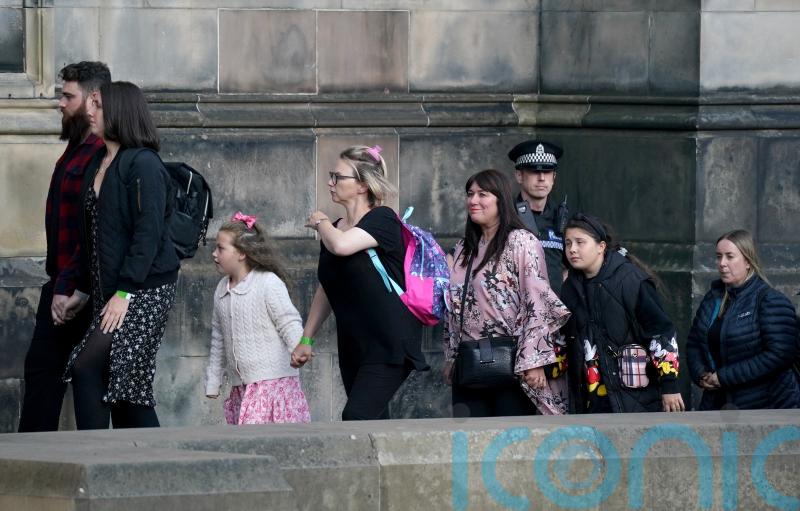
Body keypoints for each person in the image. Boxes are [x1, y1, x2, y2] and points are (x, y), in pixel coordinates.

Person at [60, 81, 180, 429]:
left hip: (144, 288)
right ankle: (139, 457)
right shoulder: (99, 161)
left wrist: (125, 292)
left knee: (87, 365)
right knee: (124, 387)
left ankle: (96, 453)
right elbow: (94, 235)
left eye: (97, 105)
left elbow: (148, 233)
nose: (89, 111)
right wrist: (83, 290)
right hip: (112, 290)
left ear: (119, 111)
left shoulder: (143, 164)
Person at [290, 145, 428, 420]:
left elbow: (342, 246)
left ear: (363, 185)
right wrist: (306, 338)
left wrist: (321, 222)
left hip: (388, 343)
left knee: (356, 417)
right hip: (353, 344)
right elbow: (328, 286)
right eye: (331, 176)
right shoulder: (335, 229)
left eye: (338, 177)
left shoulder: (382, 218)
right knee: (373, 424)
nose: (330, 183)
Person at [18, 61, 111, 432]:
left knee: (90, 384)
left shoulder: (102, 152)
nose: (60, 103)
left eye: (68, 96)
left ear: (92, 99)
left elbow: (93, 231)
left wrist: (72, 287)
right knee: (41, 378)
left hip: (83, 290)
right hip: (59, 283)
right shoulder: (76, 147)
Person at [442, 169, 571, 417]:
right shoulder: (463, 249)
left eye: (482, 194)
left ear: (501, 199)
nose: (473, 200)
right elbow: (453, 307)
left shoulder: (521, 241)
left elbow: (537, 301)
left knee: (511, 436)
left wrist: (534, 360)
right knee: (468, 437)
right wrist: (452, 356)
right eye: (470, 194)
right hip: (469, 362)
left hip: (511, 362)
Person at [560, 214, 684, 413]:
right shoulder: (569, 288)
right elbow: (563, 338)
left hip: (636, 398)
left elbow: (661, 332)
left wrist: (669, 384)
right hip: (591, 401)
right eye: (568, 243)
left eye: (580, 242)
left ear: (601, 247)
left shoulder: (631, 280)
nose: (572, 249)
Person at [204, 213, 311, 424]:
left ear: (242, 253)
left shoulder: (267, 283)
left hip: (272, 386)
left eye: (221, 248)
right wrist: (213, 381)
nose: (214, 254)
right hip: (242, 388)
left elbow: (288, 321)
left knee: (263, 440)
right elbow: (218, 340)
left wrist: (299, 347)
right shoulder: (221, 289)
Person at [686, 229, 799, 410]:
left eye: (730, 257)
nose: (722, 263)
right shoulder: (712, 298)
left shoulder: (770, 300)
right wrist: (700, 374)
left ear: (747, 261)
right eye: (718, 256)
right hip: (717, 405)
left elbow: (780, 354)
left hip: (765, 407)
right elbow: (694, 343)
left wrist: (724, 377)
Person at [507, 140, 569, 295]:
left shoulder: (562, 218)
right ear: (519, 176)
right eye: (534, 171)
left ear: (554, 177)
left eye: (547, 172)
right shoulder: (506, 216)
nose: (541, 178)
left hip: (556, 305)